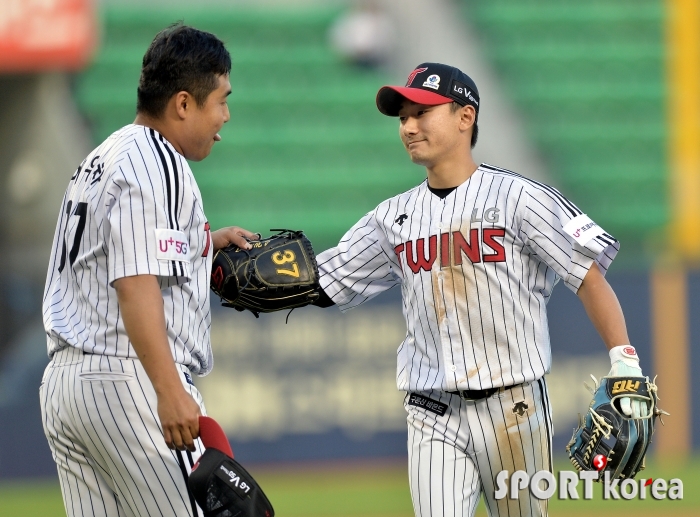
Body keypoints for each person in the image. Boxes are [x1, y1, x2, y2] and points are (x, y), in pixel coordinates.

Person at [314, 63, 648, 516]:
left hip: (514, 409)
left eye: (421, 113)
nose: (409, 127)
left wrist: (624, 361)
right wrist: (219, 258)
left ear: (464, 117)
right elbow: (324, 279)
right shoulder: (391, 217)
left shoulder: (519, 197)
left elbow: (588, 277)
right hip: (430, 411)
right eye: (403, 118)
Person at [40, 24, 258, 517]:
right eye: (220, 100)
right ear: (183, 103)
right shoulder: (158, 161)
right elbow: (134, 281)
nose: (225, 117)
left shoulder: (103, 155)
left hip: (64, 389)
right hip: (127, 379)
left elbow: (110, 255)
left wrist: (201, 242)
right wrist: (169, 390)